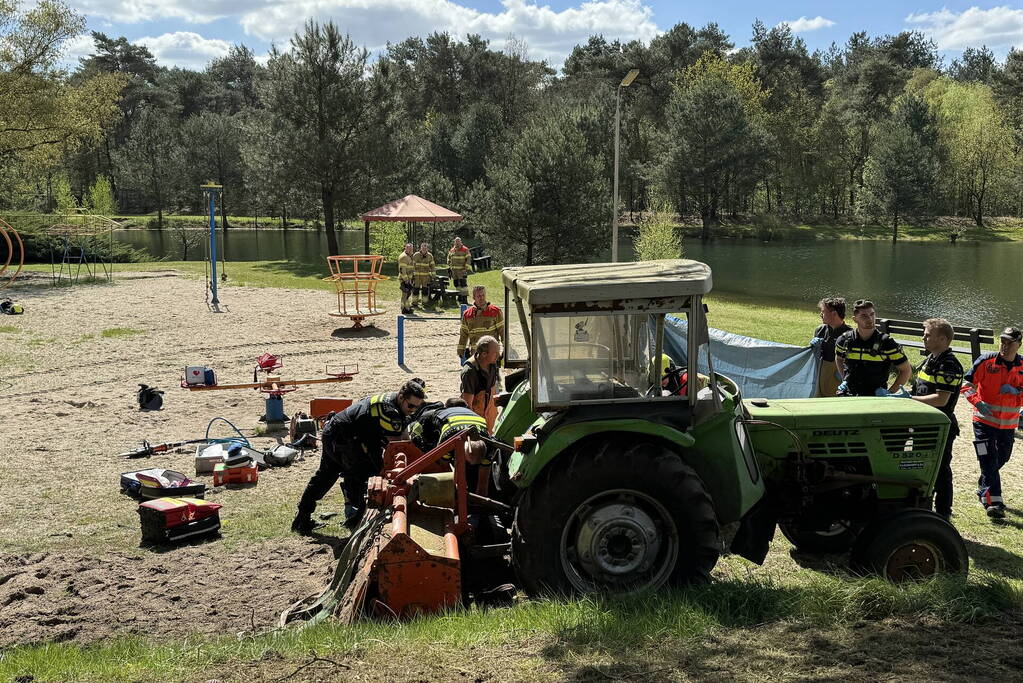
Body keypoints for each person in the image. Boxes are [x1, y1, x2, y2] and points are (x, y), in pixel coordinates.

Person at [291, 378, 427, 534]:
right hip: (343, 437)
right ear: (402, 397)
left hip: (342, 433)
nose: (413, 410)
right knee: (364, 477)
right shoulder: (390, 412)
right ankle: (354, 518)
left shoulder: (394, 401)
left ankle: (304, 518)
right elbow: (397, 445)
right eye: (411, 406)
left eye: (417, 407)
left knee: (330, 475)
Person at [961, 326, 1023, 519]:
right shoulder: (986, 361)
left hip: (1008, 425)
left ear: (1019, 345)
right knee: (987, 457)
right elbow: (966, 385)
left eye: (1009, 343)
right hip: (982, 421)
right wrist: (977, 402)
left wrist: (1017, 392)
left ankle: (984, 484)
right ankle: (994, 501)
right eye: (1002, 341)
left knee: (1001, 458)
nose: (1004, 346)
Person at [906, 318, 964, 522]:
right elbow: (920, 387)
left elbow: (941, 399)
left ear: (942, 338)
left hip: (940, 426)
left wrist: (909, 399)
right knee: (919, 466)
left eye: (928, 334)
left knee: (940, 470)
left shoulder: (949, 364)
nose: (923, 337)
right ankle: (922, 508)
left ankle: (943, 514)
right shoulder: (930, 359)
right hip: (923, 424)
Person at [409, 397, 493, 495]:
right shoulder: (448, 439)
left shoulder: (489, 446)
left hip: (464, 422)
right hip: (429, 427)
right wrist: (455, 489)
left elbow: (484, 481)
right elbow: (444, 467)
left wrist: (480, 495)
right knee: (433, 462)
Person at [834, 299, 911, 396]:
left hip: (875, 397)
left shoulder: (887, 344)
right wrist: (844, 378)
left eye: (872, 314)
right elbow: (839, 358)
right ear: (855, 319)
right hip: (849, 395)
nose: (870, 319)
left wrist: (889, 392)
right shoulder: (844, 341)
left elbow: (906, 370)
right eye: (864, 316)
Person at [810, 297, 851, 397]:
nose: (821, 314)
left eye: (823, 311)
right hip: (821, 377)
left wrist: (846, 377)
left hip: (839, 380)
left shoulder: (850, 335)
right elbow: (813, 357)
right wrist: (812, 347)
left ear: (834, 314)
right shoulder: (820, 330)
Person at [461, 336, 502, 431]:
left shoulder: (492, 363)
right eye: (495, 353)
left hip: (491, 417)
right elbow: (467, 405)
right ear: (484, 354)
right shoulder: (470, 372)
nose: (498, 355)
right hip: (477, 420)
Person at [456, 285, 504, 361]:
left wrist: (507, 350)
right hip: (475, 355)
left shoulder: (495, 311)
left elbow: (503, 332)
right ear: (473, 297)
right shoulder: (467, 314)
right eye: (478, 296)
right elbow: (463, 335)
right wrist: (461, 351)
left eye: (483, 295)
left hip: (492, 355)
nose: (481, 298)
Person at [447, 237, 472, 305]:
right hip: (454, 271)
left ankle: (464, 299)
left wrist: (465, 268)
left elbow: (468, 259)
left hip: (462, 270)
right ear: (454, 242)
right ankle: (459, 297)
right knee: (456, 284)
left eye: (458, 241)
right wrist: (449, 266)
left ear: (460, 242)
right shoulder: (452, 250)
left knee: (463, 284)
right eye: (456, 241)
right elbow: (448, 258)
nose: (457, 243)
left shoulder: (465, 249)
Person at [411, 242, 435, 308]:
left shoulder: (430, 256)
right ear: (420, 248)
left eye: (425, 248)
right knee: (415, 290)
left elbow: (432, 266)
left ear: (427, 248)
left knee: (425, 290)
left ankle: (424, 303)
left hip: (425, 277)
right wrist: (411, 274)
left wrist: (433, 276)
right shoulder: (416, 255)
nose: (424, 249)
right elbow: (411, 265)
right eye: (423, 247)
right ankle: (414, 303)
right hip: (417, 277)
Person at [397, 243, 415, 314]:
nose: (411, 250)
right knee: (405, 294)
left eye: (411, 249)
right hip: (404, 279)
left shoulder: (409, 256)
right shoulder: (404, 257)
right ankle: (404, 309)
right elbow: (402, 270)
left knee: (407, 294)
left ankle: (407, 308)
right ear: (406, 248)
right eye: (409, 249)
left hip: (408, 279)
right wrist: (406, 280)